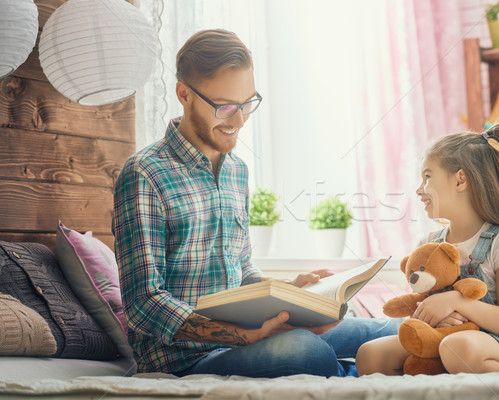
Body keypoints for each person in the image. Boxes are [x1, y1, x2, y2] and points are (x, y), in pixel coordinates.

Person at [112, 29, 401, 378]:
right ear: (183, 94)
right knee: (305, 349)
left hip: (249, 338)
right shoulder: (144, 173)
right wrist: (243, 336)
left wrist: (289, 294)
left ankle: (443, 355)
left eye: (247, 103)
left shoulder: (236, 170)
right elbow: (144, 303)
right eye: (225, 107)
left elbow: (242, 272)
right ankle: (359, 376)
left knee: (389, 329)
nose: (238, 120)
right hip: (184, 359)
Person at [355, 122, 499, 375]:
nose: (419, 189)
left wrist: (455, 301)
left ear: (460, 180)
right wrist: (435, 316)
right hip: (438, 337)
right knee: (370, 354)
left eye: (427, 177)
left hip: (491, 343)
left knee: (456, 347)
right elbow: (420, 311)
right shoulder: (427, 244)